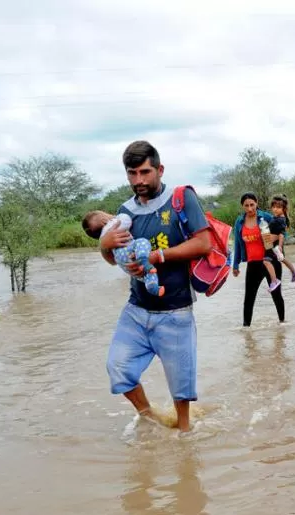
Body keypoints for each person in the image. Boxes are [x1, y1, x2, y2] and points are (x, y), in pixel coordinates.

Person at [98, 141, 212, 433]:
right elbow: (116, 260)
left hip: (176, 310)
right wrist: (105, 247)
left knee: (181, 388)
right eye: (132, 174)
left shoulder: (181, 198)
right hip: (136, 310)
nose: (139, 180)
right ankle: (150, 418)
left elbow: (203, 243)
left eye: (145, 172)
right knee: (118, 369)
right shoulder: (125, 211)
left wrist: (158, 256)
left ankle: (185, 437)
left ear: (160, 170)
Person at [230, 192, 285, 327]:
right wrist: (235, 265)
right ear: (242, 206)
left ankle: (283, 325)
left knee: (276, 294)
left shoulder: (266, 217)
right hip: (252, 264)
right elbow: (237, 243)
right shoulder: (239, 222)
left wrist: (276, 238)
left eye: (252, 205)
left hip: (270, 261)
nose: (250, 209)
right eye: (246, 205)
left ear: (257, 203)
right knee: (249, 298)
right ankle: (246, 330)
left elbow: (283, 231)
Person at [83, 210, 164, 297]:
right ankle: (144, 260)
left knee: (144, 275)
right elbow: (126, 219)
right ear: (104, 220)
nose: (112, 214)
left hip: (122, 261)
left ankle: (152, 286)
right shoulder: (114, 223)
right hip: (131, 251)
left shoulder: (103, 238)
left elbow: (113, 262)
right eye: (106, 213)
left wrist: (103, 245)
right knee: (142, 242)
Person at [266, 193, 295, 282]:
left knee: (274, 259)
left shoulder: (280, 220)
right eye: (273, 207)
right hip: (272, 244)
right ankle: (293, 273)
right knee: (281, 259)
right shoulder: (277, 217)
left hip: (276, 245)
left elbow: (281, 234)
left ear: (284, 209)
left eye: (278, 207)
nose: (275, 209)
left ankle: (277, 279)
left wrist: (280, 246)